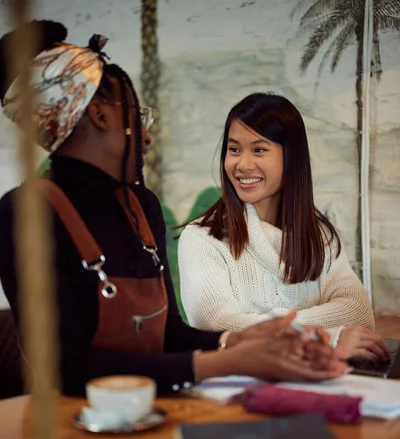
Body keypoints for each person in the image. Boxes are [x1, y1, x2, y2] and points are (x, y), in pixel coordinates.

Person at [0, 22, 348, 398]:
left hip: (154, 412)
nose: (146, 136)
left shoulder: (141, 206)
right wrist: (229, 361)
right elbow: (68, 369)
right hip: (74, 428)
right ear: (100, 116)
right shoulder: (25, 214)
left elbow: (169, 334)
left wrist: (240, 339)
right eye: (136, 115)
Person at [178, 92, 389, 361]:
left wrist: (260, 324)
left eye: (259, 149)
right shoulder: (202, 239)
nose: (242, 164)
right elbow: (217, 327)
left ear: (291, 157)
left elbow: (357, 314)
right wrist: (327, 337)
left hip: (320, 382)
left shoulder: (319, 236)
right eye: (234, 149)